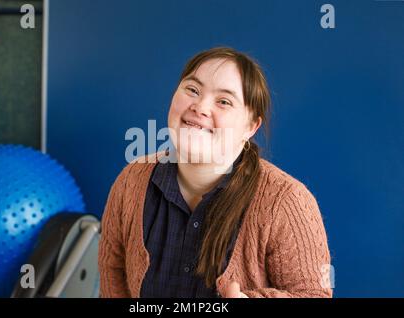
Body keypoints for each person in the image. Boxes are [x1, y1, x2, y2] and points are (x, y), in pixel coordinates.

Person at [98, 47, 332, 298]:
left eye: (224, 101)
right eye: (192, 90)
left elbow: (314, 294)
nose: (200, 107)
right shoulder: (131, 181)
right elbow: (112, 272)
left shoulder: (286, 201)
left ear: (251, 127)